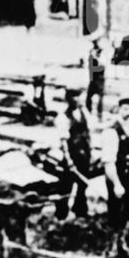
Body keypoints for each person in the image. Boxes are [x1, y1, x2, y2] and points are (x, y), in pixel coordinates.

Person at [102, 97, 129, 258]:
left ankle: (121, 247)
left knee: (125, 214)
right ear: (119, 109)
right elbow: (108, 162)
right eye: (125, 108)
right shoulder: (112, 130)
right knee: (114, 215)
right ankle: (109, 255)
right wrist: (116, 184)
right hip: (116, 178)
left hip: (128, 178)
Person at [57, 87, 93, 219]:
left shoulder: (84, 112)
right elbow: (63, 141)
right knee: (66, 185)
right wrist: (68, 160)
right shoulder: (63, 116)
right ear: (68, 99)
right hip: (72, 156)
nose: (78, 99)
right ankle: (61, 214)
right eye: (74, 96)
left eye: (79, 96)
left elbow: (89, 132)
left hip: (85, 155)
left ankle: (80, 210)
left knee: (83, 185)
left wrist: (92, 150)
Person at [86, 34, 107, 121]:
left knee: (100, 99)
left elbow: (102, 65)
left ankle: (100, 116)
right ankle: (88, 113)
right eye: (94, 42)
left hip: (99, 78)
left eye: (95, 42)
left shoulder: (101, 53)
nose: (95, 44)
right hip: (93, 78)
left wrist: (95, 58)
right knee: (89, 98)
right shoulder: (92, 52)